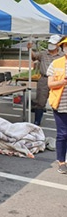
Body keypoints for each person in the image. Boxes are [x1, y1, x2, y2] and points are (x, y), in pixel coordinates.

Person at [27, 35, 63, 126]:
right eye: (50, 43)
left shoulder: (62, 55)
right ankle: (37, 121)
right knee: (40, 101)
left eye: (53, 43)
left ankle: (61, 121)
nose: (50, 45)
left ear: (58, 45)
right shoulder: (43, 54)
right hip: (44, 79)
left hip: (57, 80)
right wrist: (30, 49)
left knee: (59, 101)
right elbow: (34, 57)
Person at [46, 36, 67, 174]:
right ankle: (61, 161)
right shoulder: (56, 63)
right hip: (60, 104)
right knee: (62, 134)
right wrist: (62, 82)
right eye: (66, 46)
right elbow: (50, 84)